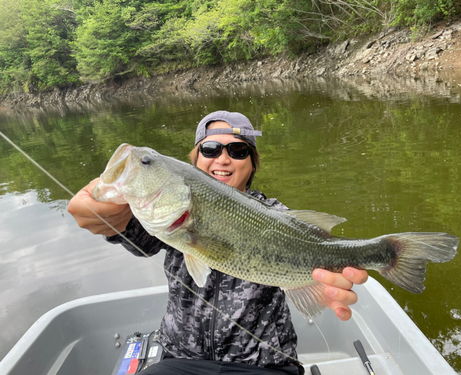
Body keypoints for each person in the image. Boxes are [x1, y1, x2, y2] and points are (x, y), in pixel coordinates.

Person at [68, 111, 368, 375]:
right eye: (211, 148)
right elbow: (136, 238)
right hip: (180, 360)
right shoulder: (168, 214)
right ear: (194, 161)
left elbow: (313, 247)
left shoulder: (275, 215)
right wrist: (109, 220)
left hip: (263, 364)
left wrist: (321, 285)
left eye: (238, 151)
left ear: (252, 164)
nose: (223, 158)